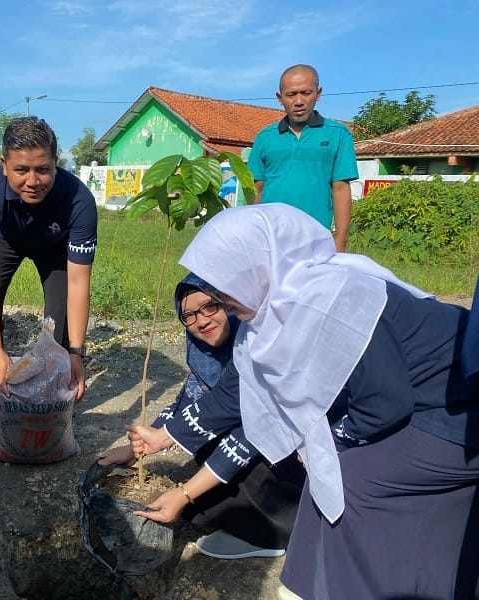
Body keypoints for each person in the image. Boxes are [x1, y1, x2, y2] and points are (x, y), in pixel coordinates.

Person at [134, 203, 479, 600]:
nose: (218, 296)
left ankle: (366, 584)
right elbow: (239, 393)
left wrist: (330, 440)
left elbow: (384, 404)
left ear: (261, 264)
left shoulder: (330, 298)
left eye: (224, 281)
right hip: (410, 402)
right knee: (322, 469)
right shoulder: (268, 312)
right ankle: (307, 586)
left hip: (454, 409)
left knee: (348, 477)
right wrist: (163, 435)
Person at [99, 274, 304, 559]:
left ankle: (272, 533)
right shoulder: (205, 355)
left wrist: (184, 494)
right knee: (203, 451)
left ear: (230, 304)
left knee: (223, 455)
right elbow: (188, 403)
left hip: (292, 459)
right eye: (189, 315)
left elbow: (251, 430)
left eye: (210, 306)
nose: (202, 320)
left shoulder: (257, 349)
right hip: (255, 440)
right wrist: (138, 448)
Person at [0, 116, 97, 432]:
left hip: (55, 242)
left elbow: (78, 282)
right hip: (6, 238)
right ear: (4, 164)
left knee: (58, 312)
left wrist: (76, 353)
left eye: (43, 169)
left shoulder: (79, 200)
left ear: (55, 163)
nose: (33, 181)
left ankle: (54, 393)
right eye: (22, 170)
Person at [248, 64, 357, 252]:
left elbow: (340, 189)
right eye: (291, 95)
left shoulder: (338, 134)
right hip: (269, 239)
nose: (299, 101)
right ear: (279, 98)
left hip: (315, 239)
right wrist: (251, 236)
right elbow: (256, 191)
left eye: (306, 93)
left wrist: (340, 242)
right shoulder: (265, 137)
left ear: (318, 93)